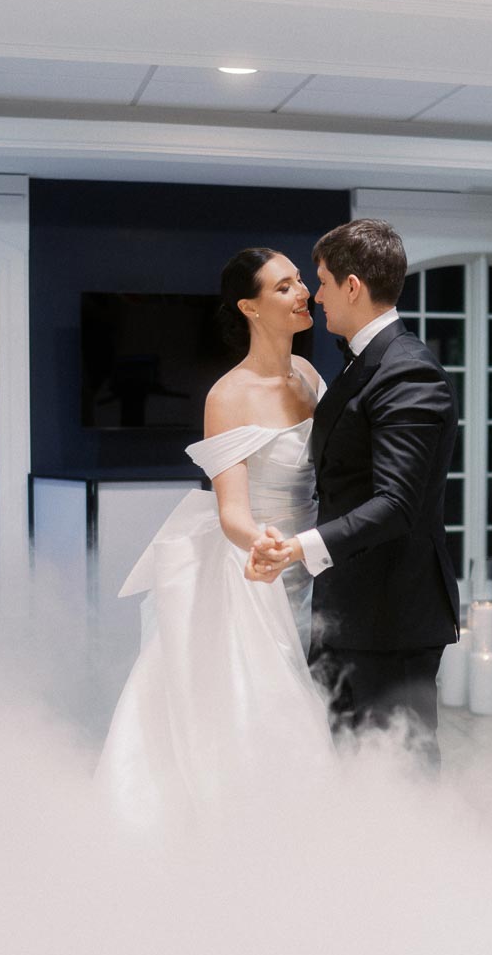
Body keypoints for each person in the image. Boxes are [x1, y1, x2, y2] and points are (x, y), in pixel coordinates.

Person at [95, 248, 333, 832]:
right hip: (261, 570)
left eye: (301, 280)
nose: (302, 291)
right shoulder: (227, 396)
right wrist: (269, 546)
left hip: (314, 561)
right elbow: (231, 512)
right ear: (250, 307)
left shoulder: (310, 375)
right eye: (284, 287)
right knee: (257, 712)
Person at [249, 219, 460, 769]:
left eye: (320, 282)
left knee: (401, 774)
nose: (314, 297)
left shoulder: (408, 371)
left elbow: (396, 504)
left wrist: (299, 548)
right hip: (353, 611)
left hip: (392, 618)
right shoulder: (363, 361)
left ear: (351, 286)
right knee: (352, 770)